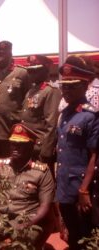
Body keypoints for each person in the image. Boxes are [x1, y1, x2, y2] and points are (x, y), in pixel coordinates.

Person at [0, 123, 55, 250]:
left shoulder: (42, 172)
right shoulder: (0, 167)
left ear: (30, 146)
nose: (15, 148)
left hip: (28, 222)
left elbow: (45, 207)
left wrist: (27, 224)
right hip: (1, 219)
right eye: (12, 144)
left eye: (20, 145)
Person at [56, 55, 99, 250]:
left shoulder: (90, 116)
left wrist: (84, 190)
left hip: (81, 188)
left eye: (71, 86)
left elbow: (94, 156)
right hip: (65, 185)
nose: (66, 90)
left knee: (85, 235)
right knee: (73, 235)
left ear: (85, 86)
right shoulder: (65, 114)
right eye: (64, 86)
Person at [0, 41, 30, 163]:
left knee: (10, 164)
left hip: (11, 127)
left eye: (2, 54)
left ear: (10, 54)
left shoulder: (21, 73)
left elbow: (27, 100)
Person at [20, 55, 61, 167]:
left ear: (45, 71)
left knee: (44, 180)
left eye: (35, 71)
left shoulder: (50, 91)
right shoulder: (31, 91)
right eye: (30, 71)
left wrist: (46, 151)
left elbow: (51, 124)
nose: (31, 74)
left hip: (40, 147)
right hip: (27, 145)